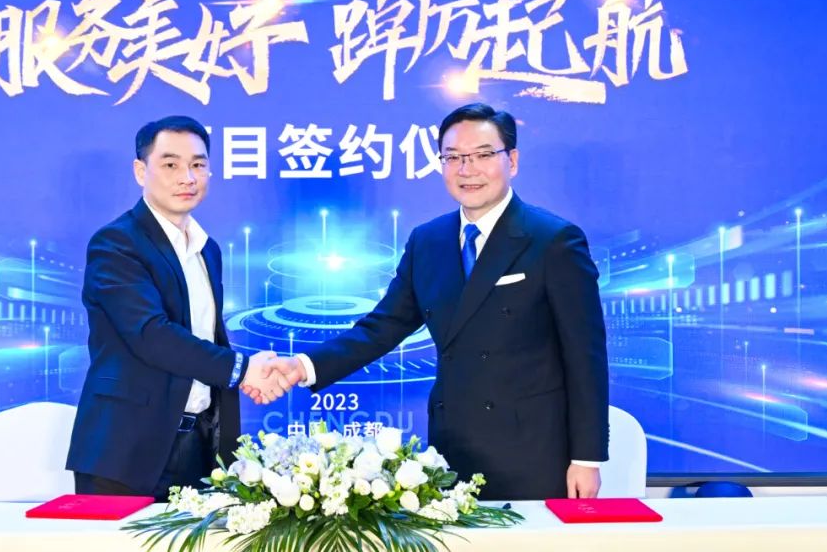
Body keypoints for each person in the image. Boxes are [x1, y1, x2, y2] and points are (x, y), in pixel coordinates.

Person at [254, 103, 609, 500]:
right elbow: (382, 327)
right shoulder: (428, 241)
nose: (467, 169)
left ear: (512, 160)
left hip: (534, 451)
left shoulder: (552, 240)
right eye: (453, 157)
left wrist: (586, 458)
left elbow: (585, 355)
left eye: (482, 155)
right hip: (451, 448)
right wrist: (302, 366)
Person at [67, 116, 288, 498]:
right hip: (126, 453)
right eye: (170, 164)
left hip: (200, 448)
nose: (187, 177)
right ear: (141, 171)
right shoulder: (116, 244)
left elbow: (207, 338)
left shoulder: (207, 249)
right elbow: (151, 335)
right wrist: (243, 369)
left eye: (198, 165)